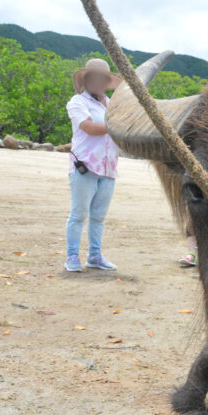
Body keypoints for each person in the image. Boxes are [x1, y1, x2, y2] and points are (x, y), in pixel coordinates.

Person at [64, 58, 122, 272]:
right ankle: (72, 257)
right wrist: (114, 126)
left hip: (108, 167)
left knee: (98, 216)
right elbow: (88, 127)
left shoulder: (111, 104)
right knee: (79, 214)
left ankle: (95, 256)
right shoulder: (78, 102)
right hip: (85, 165)